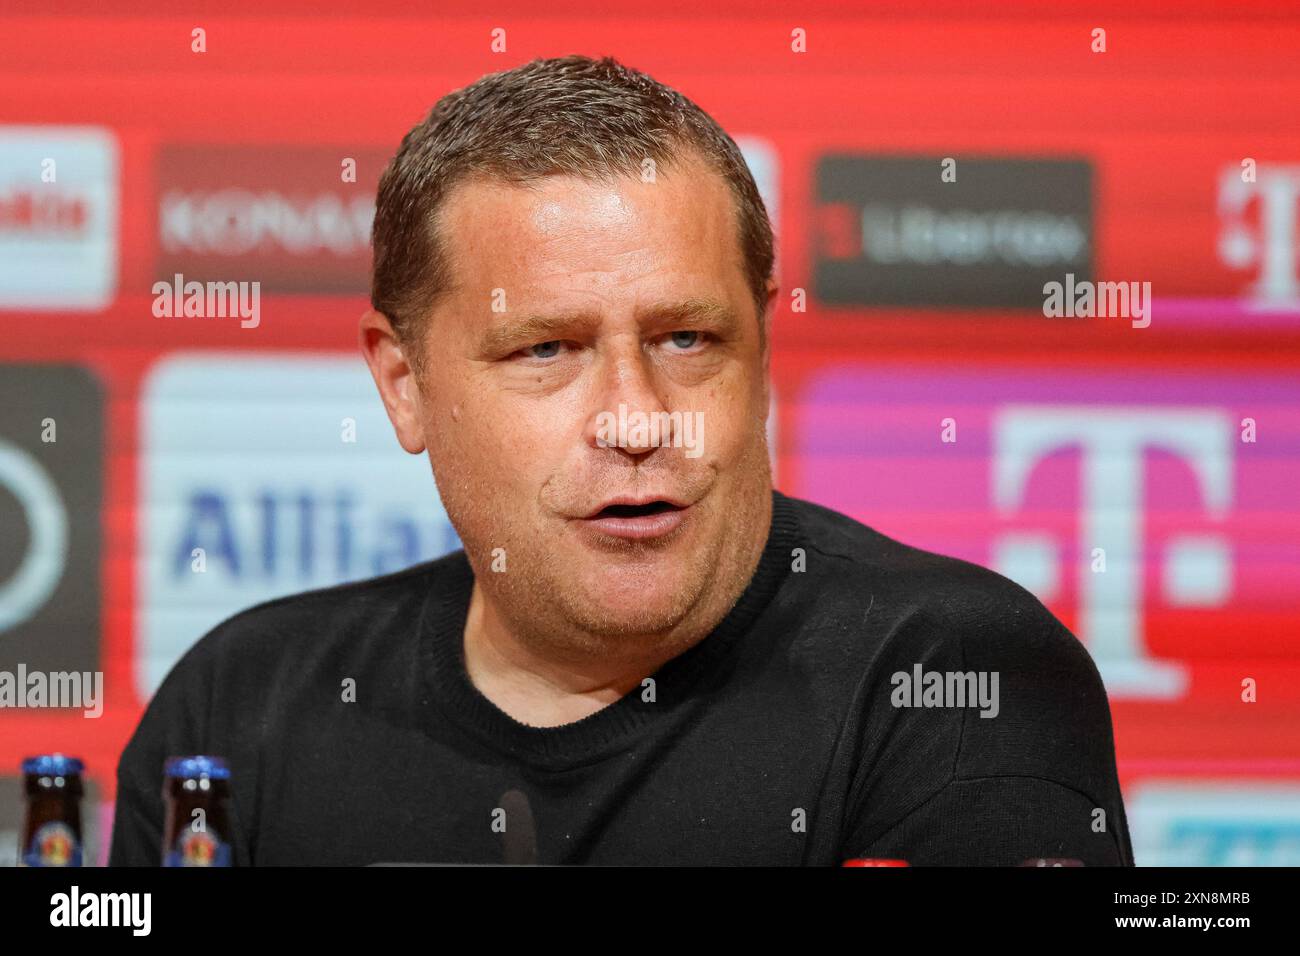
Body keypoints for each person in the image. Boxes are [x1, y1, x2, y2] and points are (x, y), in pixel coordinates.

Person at [110, 54, 1132, 866]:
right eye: (545, 350)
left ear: (761, 348)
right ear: (404, 383)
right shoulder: (240, 706)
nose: (638, 421)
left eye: (687, 339)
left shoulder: (954, 672)